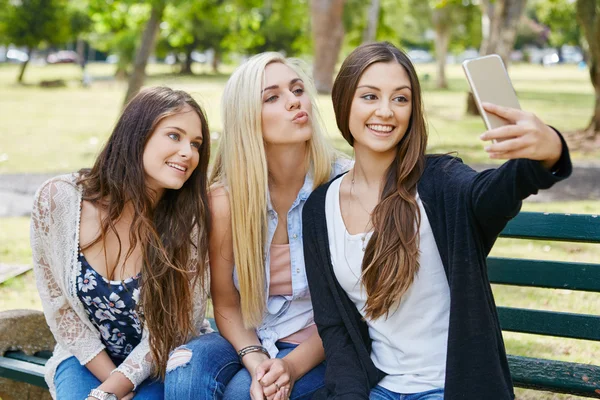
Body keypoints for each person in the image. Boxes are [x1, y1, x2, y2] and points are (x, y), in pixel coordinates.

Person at [302, 42, 571, 400]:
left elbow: (492, 193)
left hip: (450, 388)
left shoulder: (441, 181)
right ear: (343, 102)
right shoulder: (320, 208)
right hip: (379, 389)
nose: (386, 111)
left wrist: (548, 149)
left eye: (400, 99)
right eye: (370, 96)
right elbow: (336, 330)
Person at [164, 52, 349, 400]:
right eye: (273, 97)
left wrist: (289, 366)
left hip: (324, 343)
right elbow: (227, 304)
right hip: (249, 338)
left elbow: (354, 309)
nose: (294, 101)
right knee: (184, 372)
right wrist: (255, 357)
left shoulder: (343, 186)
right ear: (248, 117)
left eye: (297, 90)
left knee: (241, 396)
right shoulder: (226, 200)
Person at [30, 86, 213, 400]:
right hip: (86, 357)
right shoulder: (58, 201)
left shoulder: (189, 223)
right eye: (174, 136)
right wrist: (110, 385)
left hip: (160, 360)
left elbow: (176, 328)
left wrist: (115, 387)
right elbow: (61, 310)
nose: (189, 152)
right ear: (136, 135)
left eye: (196, 144)